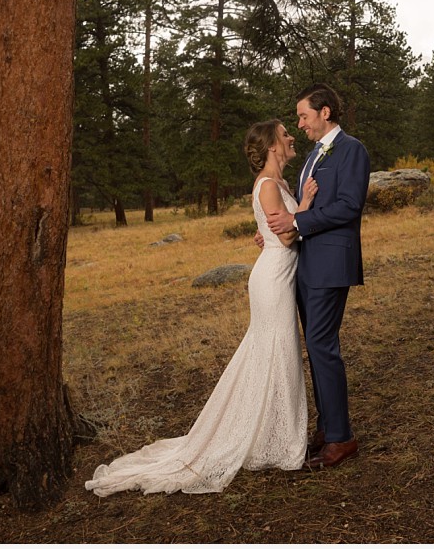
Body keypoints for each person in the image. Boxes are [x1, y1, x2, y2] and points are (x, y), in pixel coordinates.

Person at [85, 120, 317, 496]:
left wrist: (286, 218)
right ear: (274, 145)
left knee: (276, 354)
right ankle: (274, 442)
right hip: (272, 280)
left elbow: (275, 229)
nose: (291, 137)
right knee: (274, 351)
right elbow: (288, 235)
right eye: (285, 133)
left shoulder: (281, 185)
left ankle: (273, 437)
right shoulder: (270, 186)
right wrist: (305, 205)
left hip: (279, 275)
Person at [266, 83, 370, 469]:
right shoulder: (313, 156)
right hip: (305, 264)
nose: (300, 123)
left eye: (304, 116)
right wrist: (279, 230)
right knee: (316, 347)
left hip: (331, 264)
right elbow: (299, 207)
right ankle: (327, 427)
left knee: (323, 345)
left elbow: (348, 207)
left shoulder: (352, 150)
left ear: (325, 112)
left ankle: (342, 438)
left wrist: (298, 220)